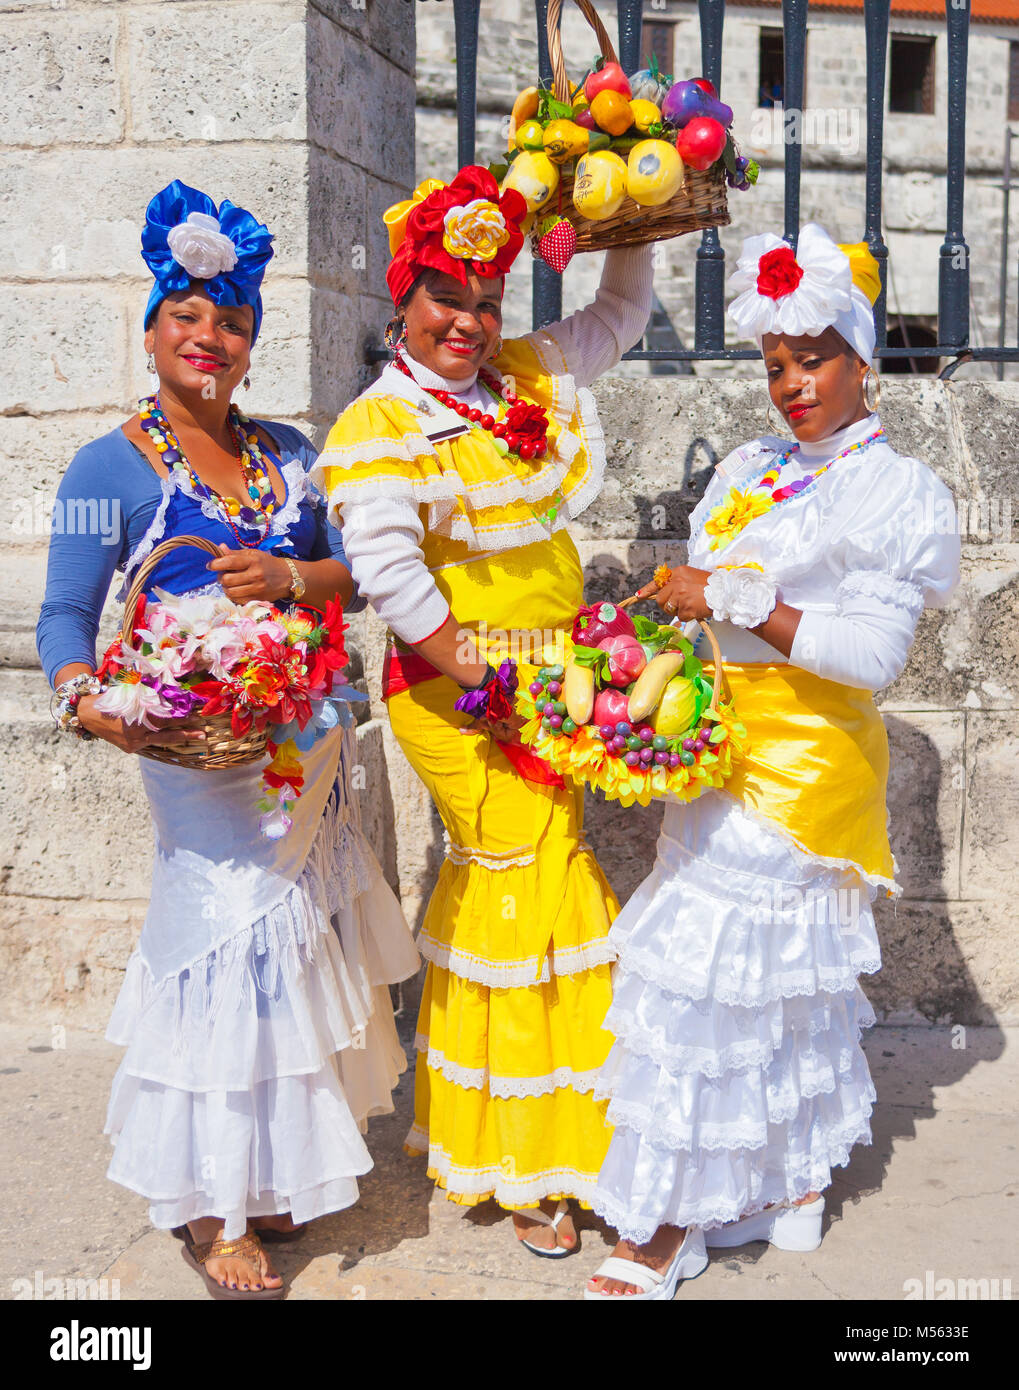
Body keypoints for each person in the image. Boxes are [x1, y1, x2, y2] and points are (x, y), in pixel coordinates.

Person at [36, 181, 419, 1300]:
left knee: (293, 946)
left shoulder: (289, 456)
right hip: (196, 761)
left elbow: (361, 567)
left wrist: (294, 575)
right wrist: (83, 696)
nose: (209, 338)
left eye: (232, 320)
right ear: (152, 329)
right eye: (186, 317)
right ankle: (214, 1203)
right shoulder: (104, 468)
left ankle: (276, 1164)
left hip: (303, 745)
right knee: (216, 948)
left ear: (252, 340)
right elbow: (65, 614)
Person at [584, 224, 961, 1298]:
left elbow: (869, 658)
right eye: (775, 364)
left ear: (859, 357)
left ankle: (663, 1224)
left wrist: (735, 596)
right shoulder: (753, 468)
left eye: (814, 358)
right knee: (763, 986)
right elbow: (707, 609)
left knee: (700, 975)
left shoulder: (892, 489)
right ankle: (786, 1184)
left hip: (801, 765)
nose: (791, 384)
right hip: (710, 747)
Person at [311, 165, 653, 1256]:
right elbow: (397, 588)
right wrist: (499, 683)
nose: (465, 320)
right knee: (538, 877)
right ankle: (532, 1163)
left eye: (483, 299)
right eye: (444, 297)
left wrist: (635, 222)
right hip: (457, 690)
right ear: (400, 302)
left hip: (546, 676)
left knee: (525, 882)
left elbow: (617, 315)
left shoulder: (519, 380)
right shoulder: (379, 424)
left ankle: (510, 1134)